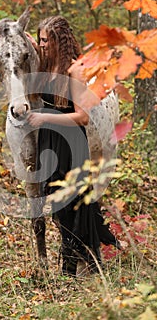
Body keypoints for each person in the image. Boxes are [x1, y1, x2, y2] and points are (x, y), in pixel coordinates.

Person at [27, 16, 120, 276]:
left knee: (75, 204)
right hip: (50, 144)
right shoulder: (47, 64)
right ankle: (76, 260)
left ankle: (80, 265)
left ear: (59, 40)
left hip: (70, 143)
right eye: (41, 40)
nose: (42, 45)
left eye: (47, 40)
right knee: (58, 206)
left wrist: (45, 117)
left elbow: (83, 116)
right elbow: (28, 46)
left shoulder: (73, 69)